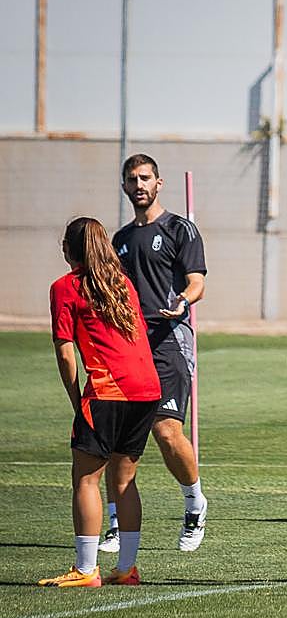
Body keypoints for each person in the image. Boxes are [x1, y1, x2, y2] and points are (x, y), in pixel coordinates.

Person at [39, 217, 161, 588]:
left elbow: (65, 353)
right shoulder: (122, 283)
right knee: (123, 480)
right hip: (147, 389)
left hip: (110, 390)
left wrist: (77, 398)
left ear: (68, 249)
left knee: (85, 478)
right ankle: (126, 568)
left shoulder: (65, 287)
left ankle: (86, 569)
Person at [102, 154, 208, 554]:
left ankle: (194, 503)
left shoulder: (180, 229)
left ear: (159, 183)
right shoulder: (120, 239)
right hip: (129, 345)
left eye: (145, 178)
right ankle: (116, 521)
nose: (139, 185)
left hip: (168, 341)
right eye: (132, 179)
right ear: (124, 186)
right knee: (117, 440)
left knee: (166, 431)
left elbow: (197, 282)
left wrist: (183, 300)